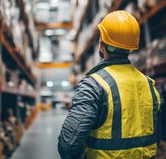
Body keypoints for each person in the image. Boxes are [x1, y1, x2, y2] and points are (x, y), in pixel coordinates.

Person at [58, 10, 161, 159]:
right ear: (132, 47)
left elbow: (68, 146)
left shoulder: (93, 86)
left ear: (101, 45)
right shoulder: (150, 85)